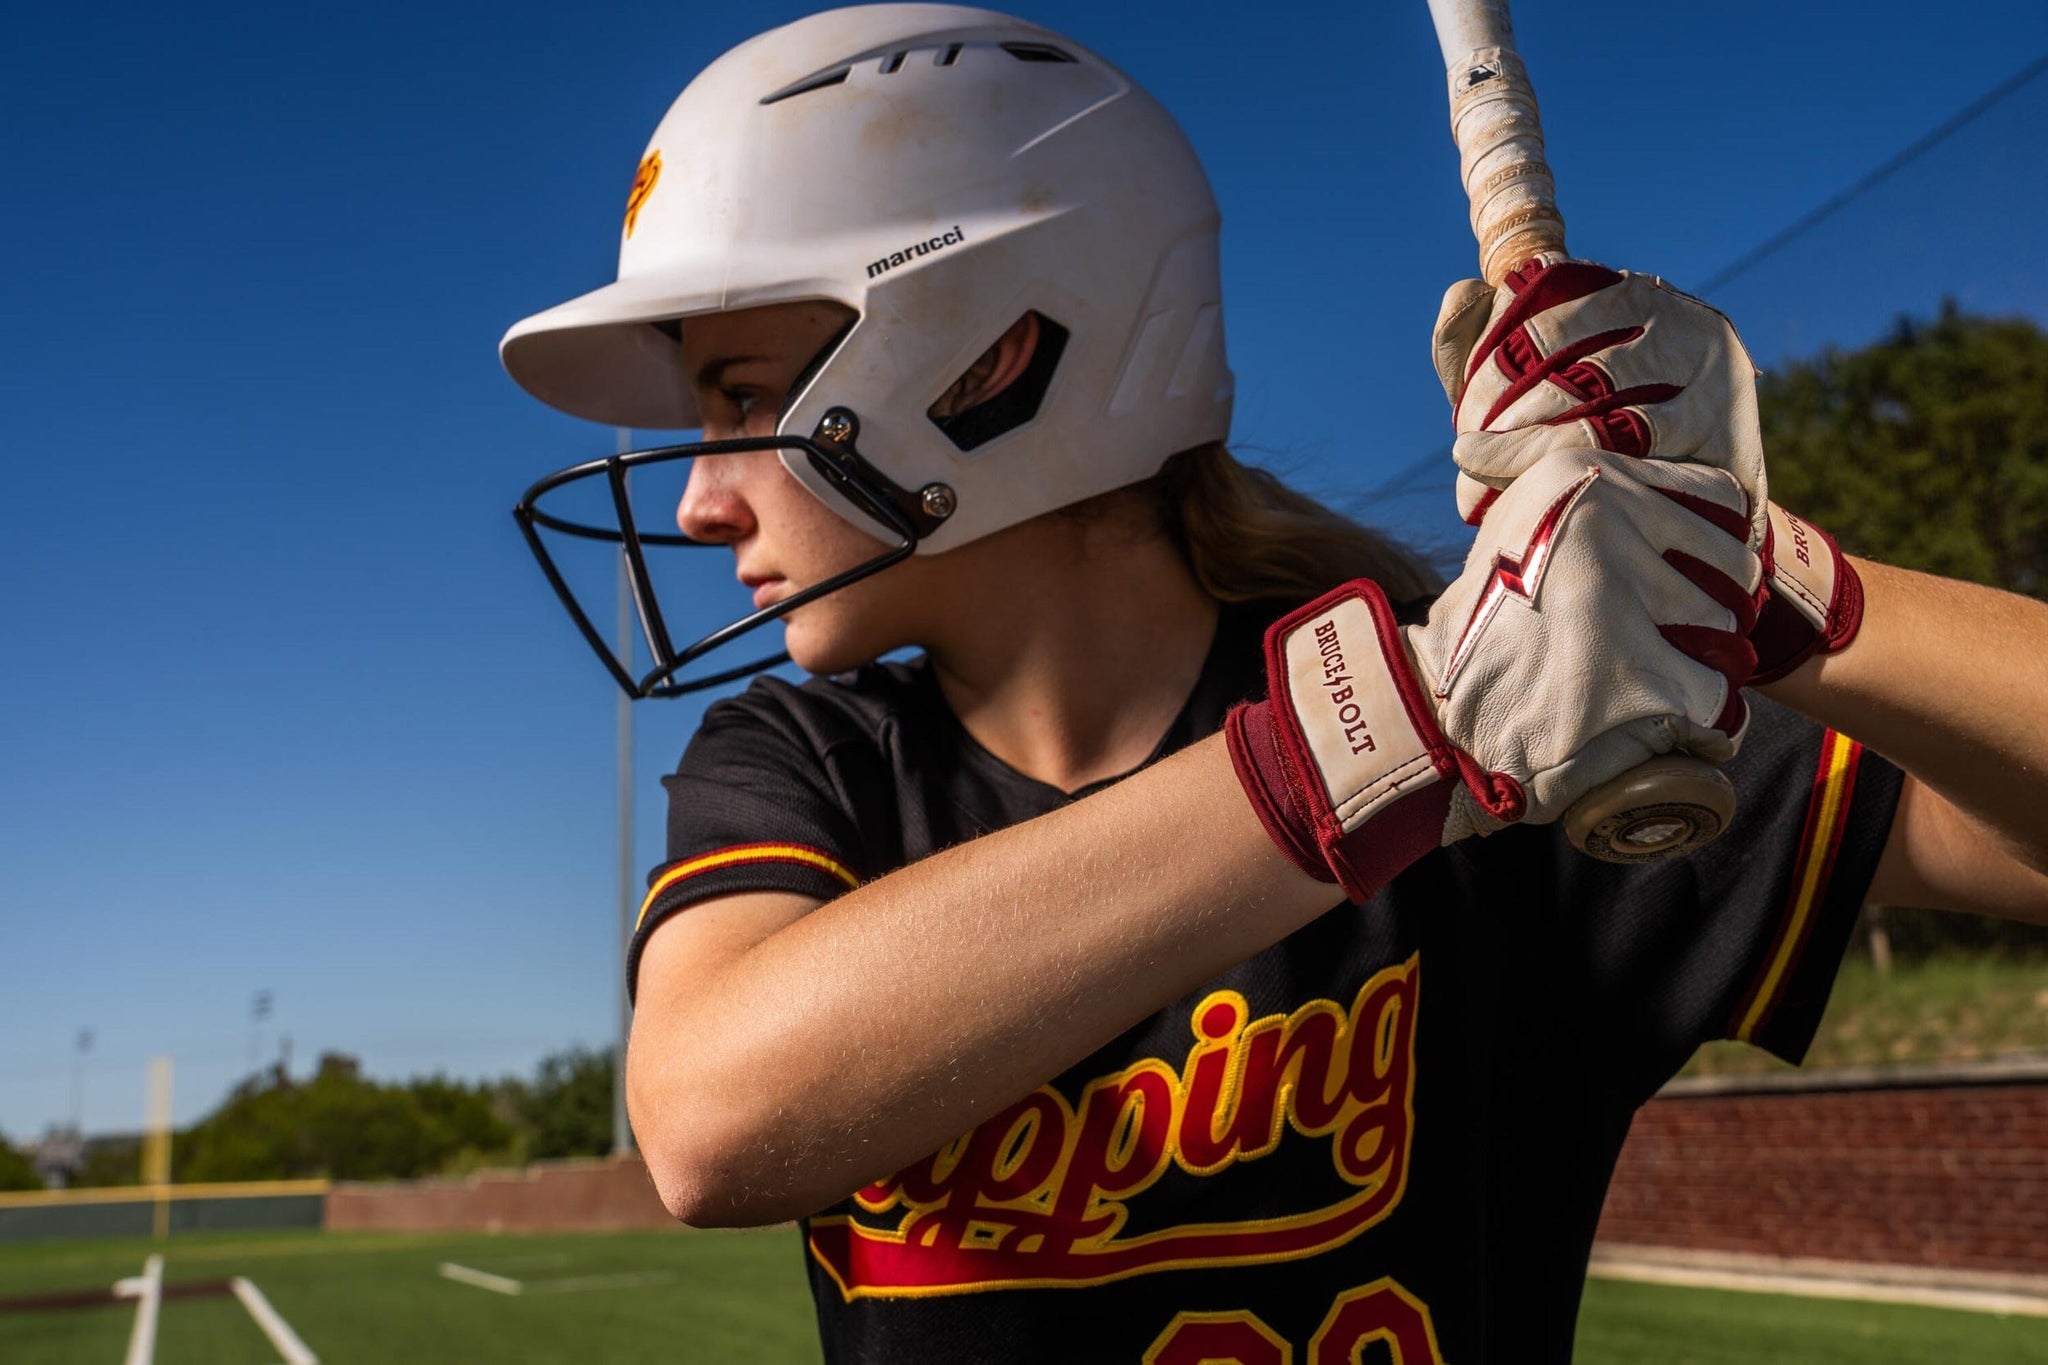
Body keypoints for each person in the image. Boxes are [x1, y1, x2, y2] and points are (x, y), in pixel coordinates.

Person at [500, 7, 2048, 1361]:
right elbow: (711, 1121)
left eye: (746, 399)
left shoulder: (1520, 709)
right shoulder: (812, 760)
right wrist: (1380, 744)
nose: (701, 503)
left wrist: (1765, 586)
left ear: (992, 360)